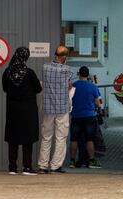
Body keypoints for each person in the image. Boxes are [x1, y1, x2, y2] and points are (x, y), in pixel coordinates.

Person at [2, 47, 42, 175]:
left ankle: (12, 167)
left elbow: (5, 88)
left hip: (12, 109)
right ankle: (27, 167)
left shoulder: (7, 72)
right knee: (27, 138)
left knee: (13, 138)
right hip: (28, 109)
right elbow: (38, 89)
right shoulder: (29, 73)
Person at [38, 46, 72, 174]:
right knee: (60, 137)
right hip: (62, 108)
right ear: (64, 57)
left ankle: (42, 165)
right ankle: (55, 166)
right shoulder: (67, 70)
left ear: (55, 55)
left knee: (46, 136)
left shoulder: (45, 67)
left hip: (48, 107)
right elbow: (69, 85)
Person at [69, 66, 101, 169]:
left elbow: (69, 99)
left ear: (78, 74)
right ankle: (91, 161)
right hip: (89, 116)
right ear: (88, 75)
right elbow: (97, 102)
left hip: (76, 116)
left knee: (74, 139)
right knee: (89, 139)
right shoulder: (92, 87)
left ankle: (72, 161)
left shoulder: (73, 86)